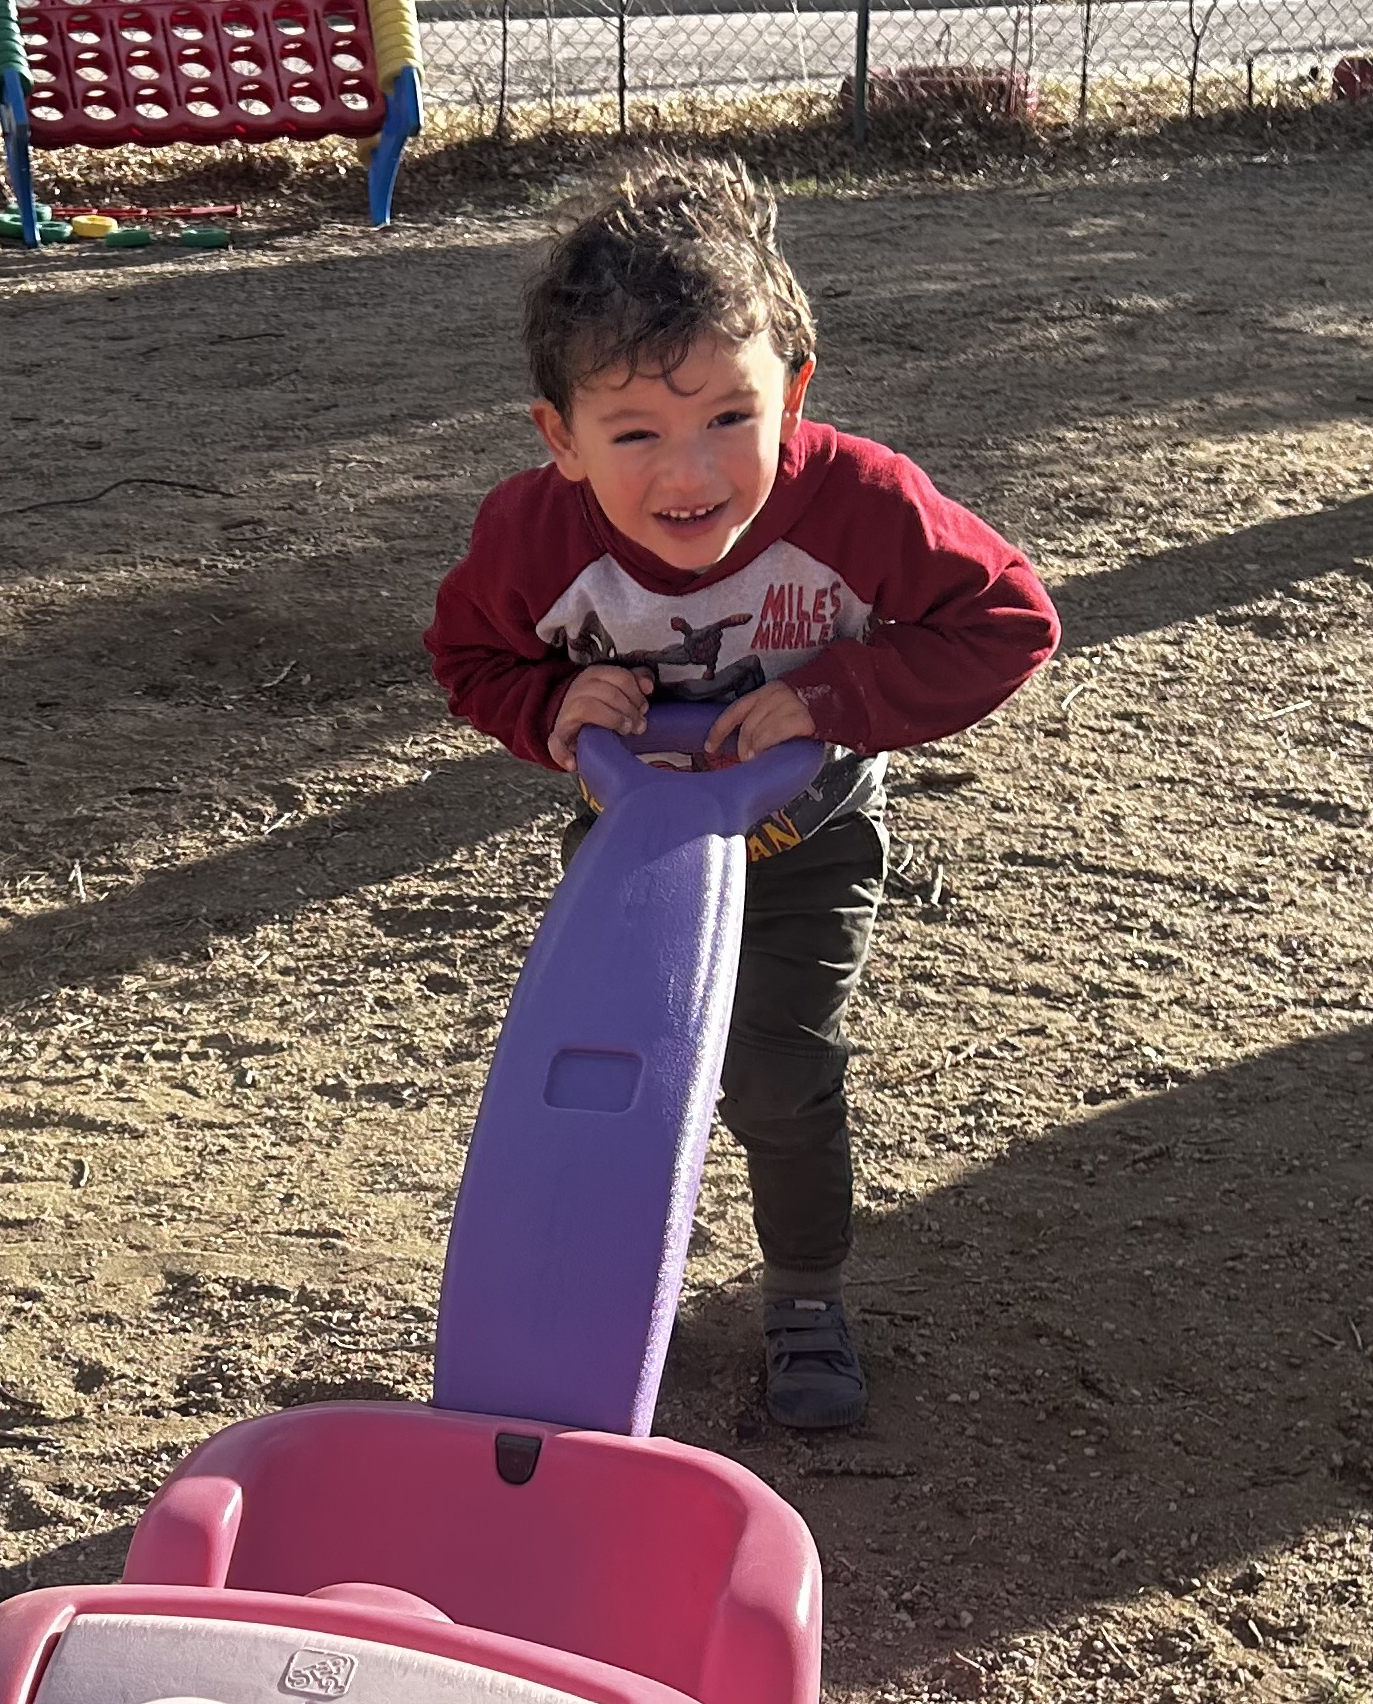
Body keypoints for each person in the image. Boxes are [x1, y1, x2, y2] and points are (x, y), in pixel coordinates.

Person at [426, 155, 1059, 1431]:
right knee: (600, 1076)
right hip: (634, 852)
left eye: (730, 416)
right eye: (636, 433)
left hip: (806, 838)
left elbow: (1008, 621)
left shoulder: (867, 506)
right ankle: (579, 1307)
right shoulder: (531, 540)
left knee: (778, 1073)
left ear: (796, 393)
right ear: (560, 438)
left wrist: (845, 700)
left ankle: (806, 1294)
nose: (691, 475)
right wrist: (548, 713)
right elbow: (469, 657)